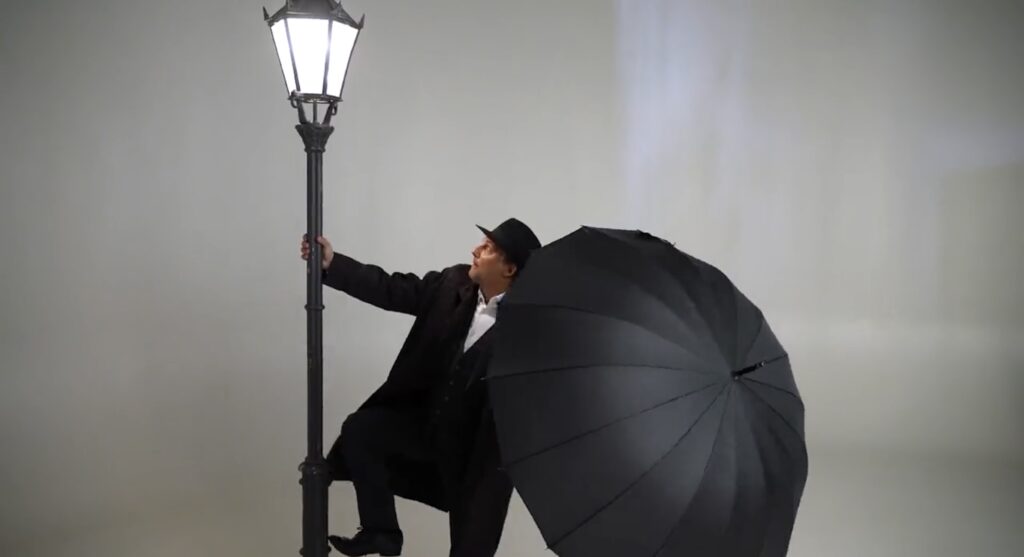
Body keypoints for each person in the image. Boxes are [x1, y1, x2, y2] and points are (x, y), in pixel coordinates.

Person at [299, 219, 542, 557]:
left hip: (474, 455)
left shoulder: (529, 332)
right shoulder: (452, 283)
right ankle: (381, 531)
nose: (475, 250)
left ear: (509, 268)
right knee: (361, 430)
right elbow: (392, 289)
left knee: (472, 546)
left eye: (487, 248)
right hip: (425, 429)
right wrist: (333, 264)